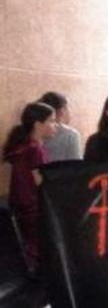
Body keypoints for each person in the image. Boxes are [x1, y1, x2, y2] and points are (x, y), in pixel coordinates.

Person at [2, 102, 57, 274]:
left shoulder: (21, 147)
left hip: (20, 205)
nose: (55, 125)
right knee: (38, 250)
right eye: (52, 121)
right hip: (34, 207)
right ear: (38, 125)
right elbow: (39, 181)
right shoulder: (35, 150)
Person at [38, 91, 82, 161]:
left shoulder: (35, 130)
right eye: (66, 108)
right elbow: (75, 165)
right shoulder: (70, 135)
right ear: (61, 110)